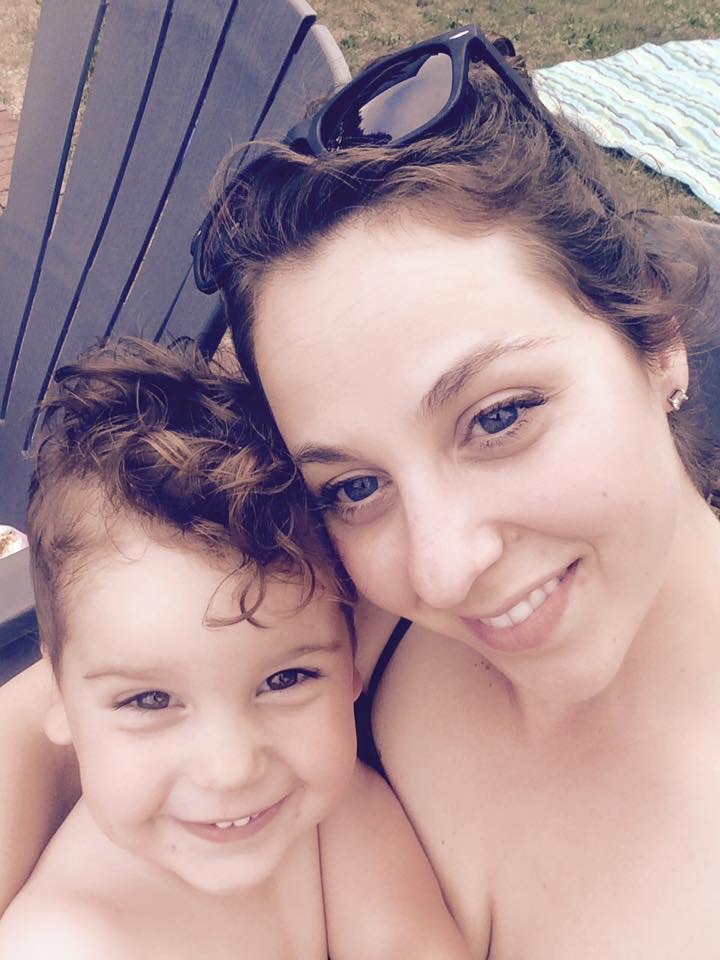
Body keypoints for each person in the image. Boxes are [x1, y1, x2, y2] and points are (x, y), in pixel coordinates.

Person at [2, 23, 720, 958]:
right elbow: (67, 692)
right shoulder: (355, 596)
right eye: (353, 484)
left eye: (499, 417)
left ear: (657, 340)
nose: (443, 569)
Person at [0, 339, 470, 959]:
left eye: (286, 680)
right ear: (58, 695)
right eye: (149, 699)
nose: (231, 769)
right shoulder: (67, 943)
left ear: (350, 664)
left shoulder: (328, 811)